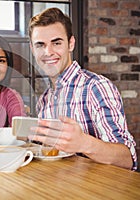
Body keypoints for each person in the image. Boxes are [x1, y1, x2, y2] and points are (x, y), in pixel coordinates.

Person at [28, 8, 137, 171]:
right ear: (32, 49)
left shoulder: (96, 87)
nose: (48, 52)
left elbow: (128, 159)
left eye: (56, 43)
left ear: (71, 44)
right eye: (40, 45)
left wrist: (84, 143)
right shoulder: (44, 100)